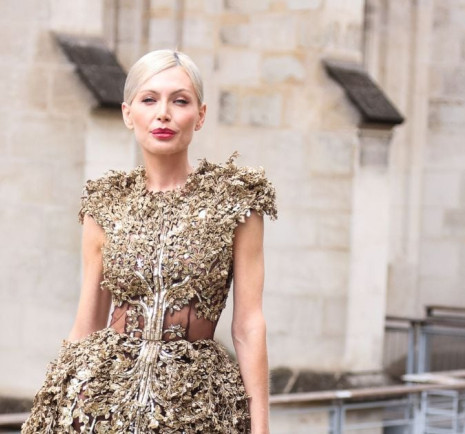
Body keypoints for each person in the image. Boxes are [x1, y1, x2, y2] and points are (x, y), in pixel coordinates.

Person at [21, 49, 277, 434]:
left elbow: (248, 326)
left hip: (197, 408)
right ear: (128, 114)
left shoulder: (236, 201)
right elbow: (87, 323)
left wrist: (261, 428)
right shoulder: (105, 203)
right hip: (102, 405)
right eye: (149, 99)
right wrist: (50, 412)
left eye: (180, 101)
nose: (163, 114)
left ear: (200, 115)